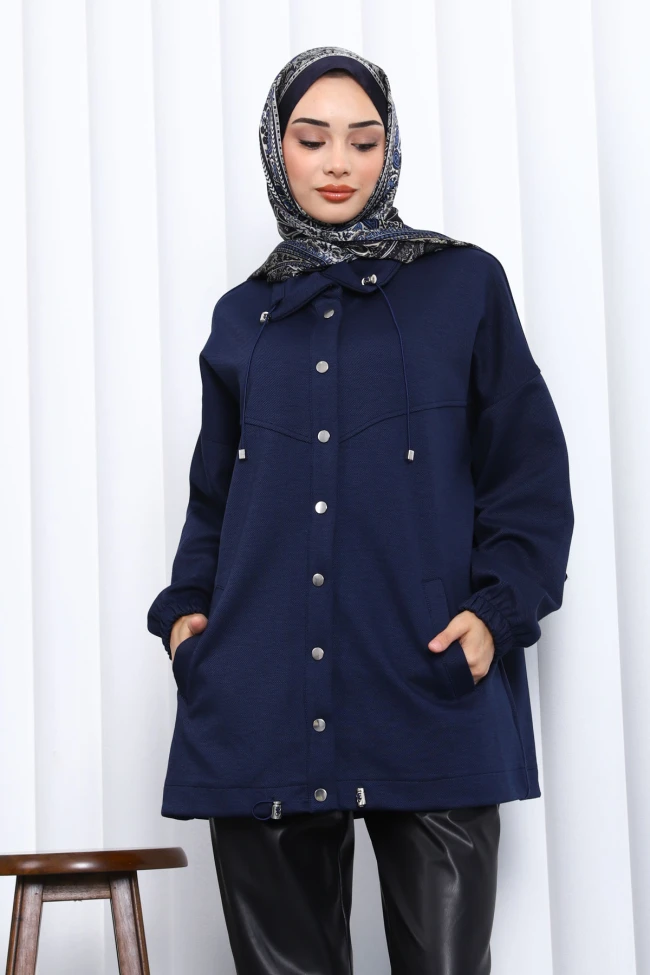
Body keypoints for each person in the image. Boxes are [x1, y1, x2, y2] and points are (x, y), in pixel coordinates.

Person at [147, 45, 574, 974]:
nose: (339, 163)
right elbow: (216, 498)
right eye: (312, 139)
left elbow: (528, 473)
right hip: (259, 698)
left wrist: (496, 613)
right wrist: (187, 619)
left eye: (363, 140)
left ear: (391, 149)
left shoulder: (464, 285)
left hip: (427, 684)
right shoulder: (241, 316)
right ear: (277, 149)